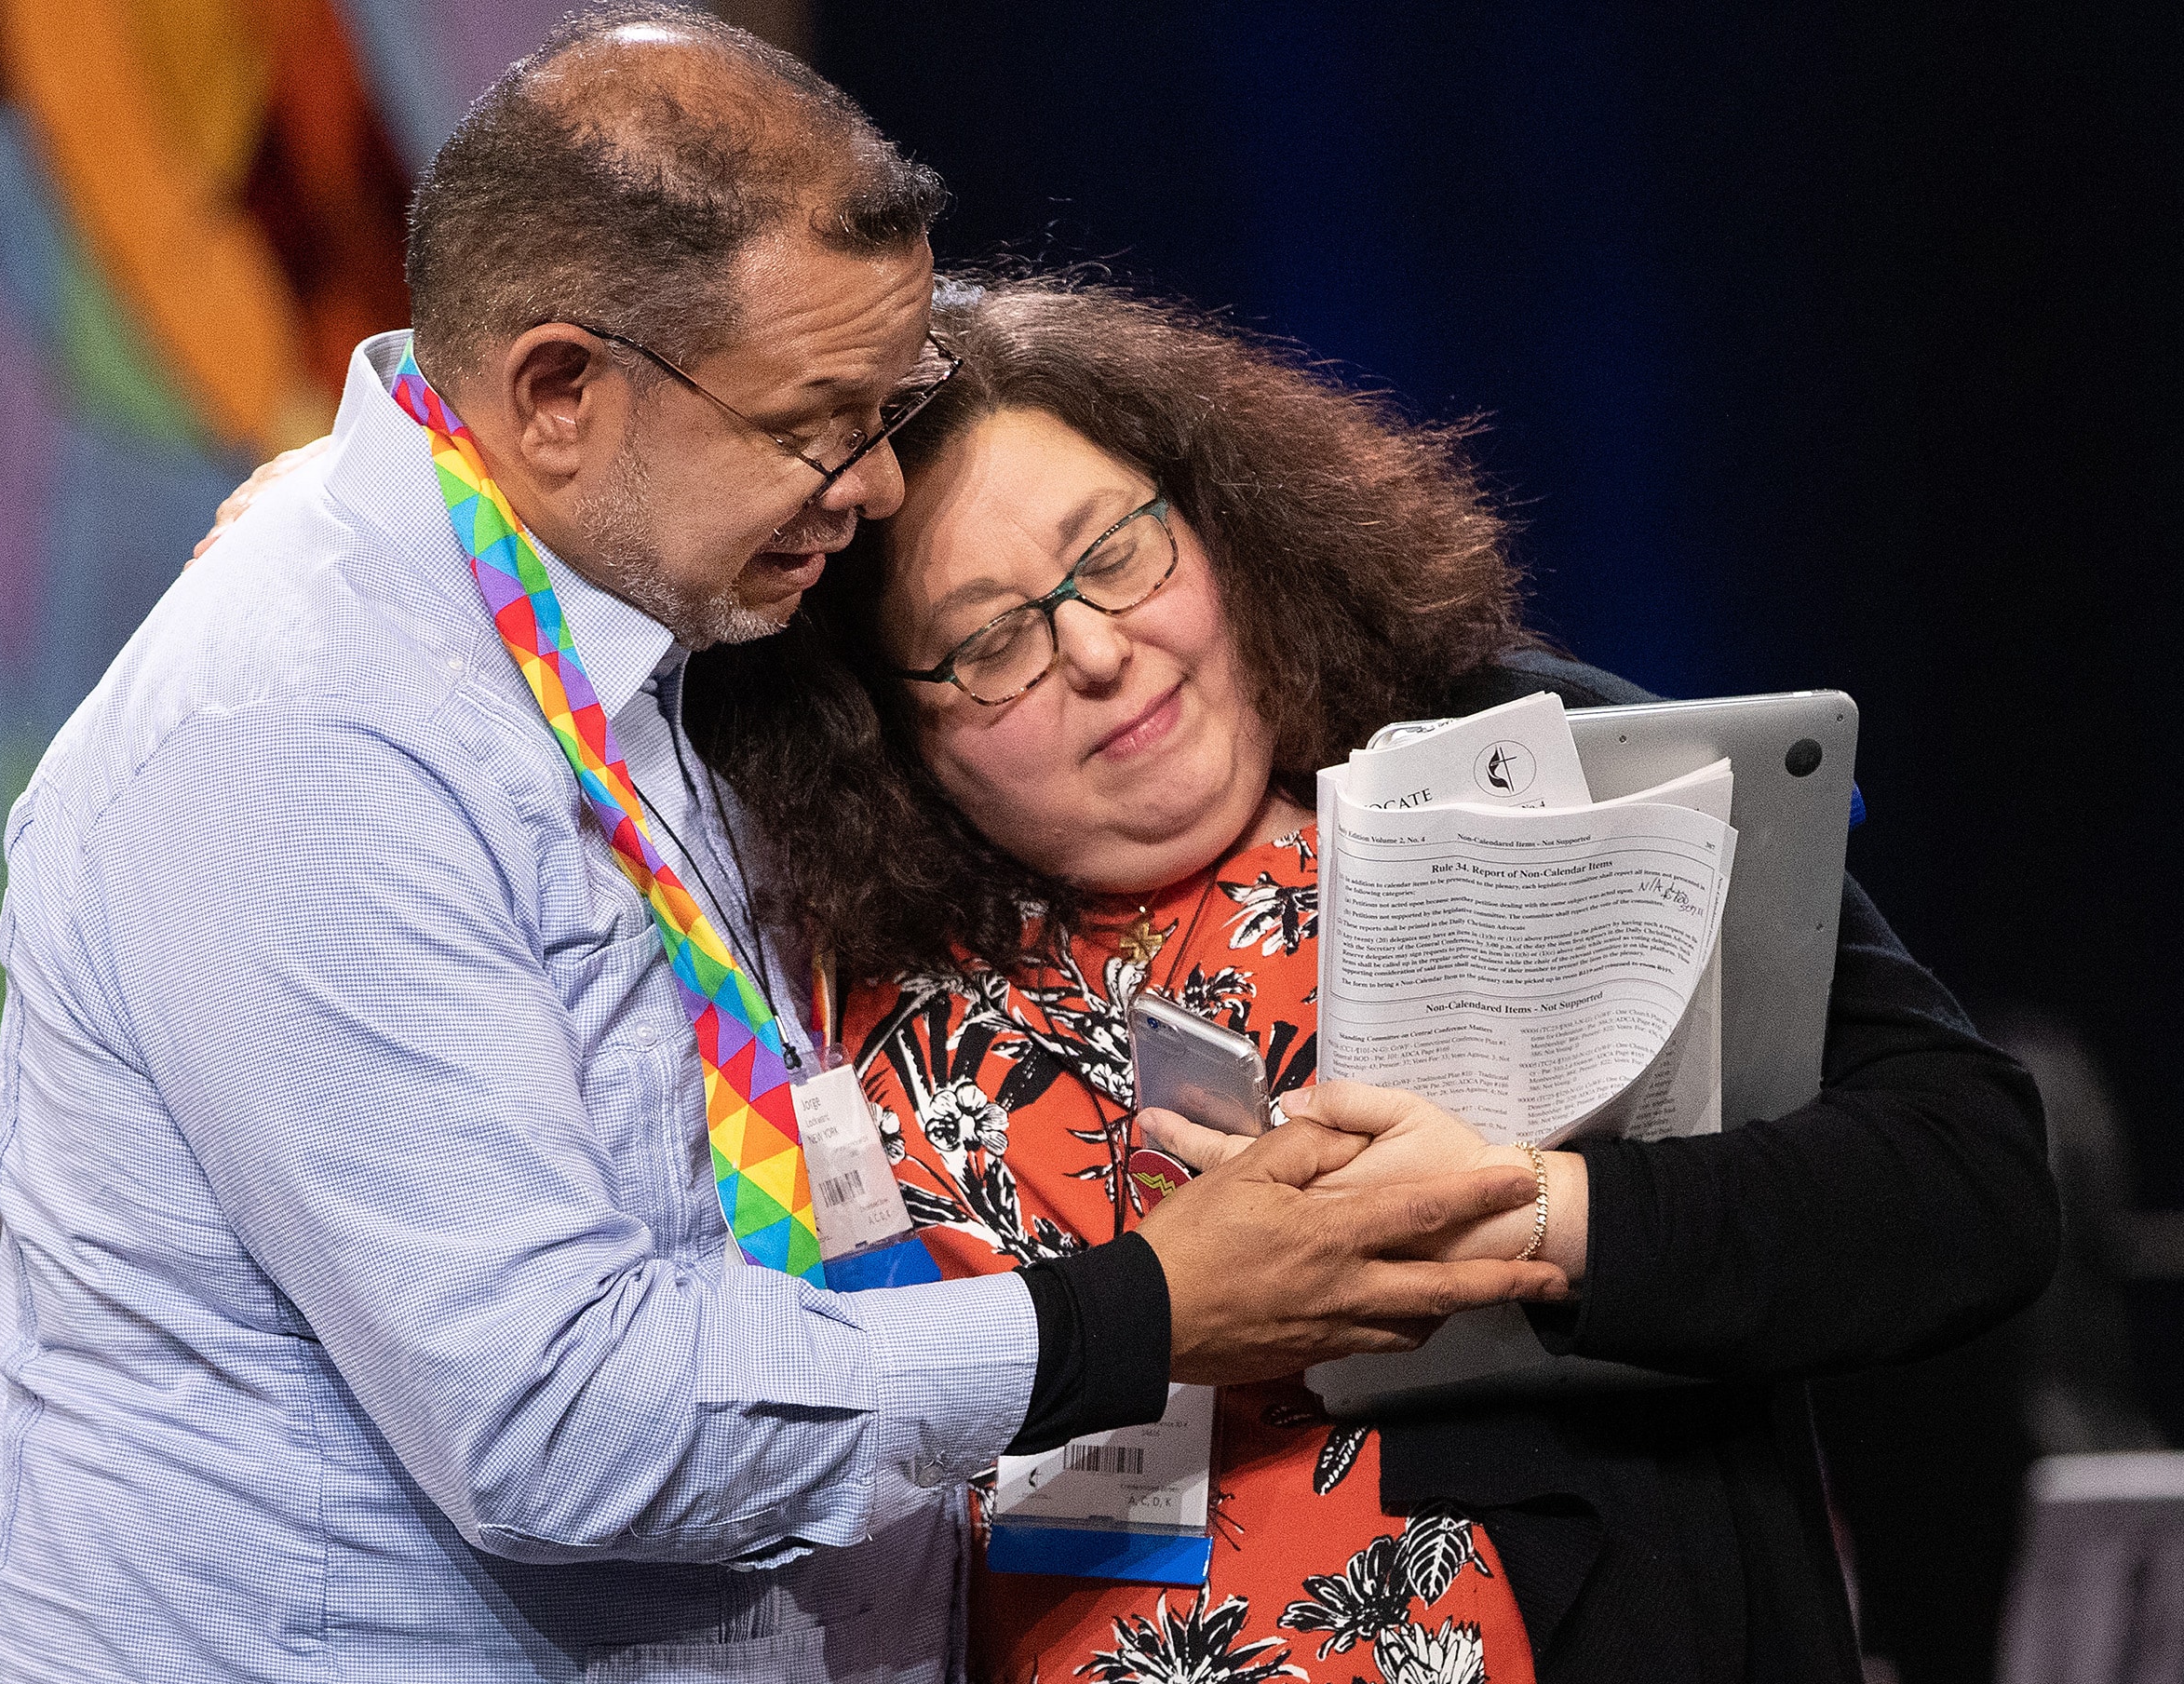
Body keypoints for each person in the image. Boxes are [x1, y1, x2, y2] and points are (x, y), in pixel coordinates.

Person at [0, 14, 1569, 1683]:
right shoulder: (299, 733)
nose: (876, 486)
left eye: (895, 405)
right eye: (819, 424)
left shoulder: (641, 595)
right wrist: (1142, 1313)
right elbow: (559, 1418)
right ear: (560, 391)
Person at [683, 274, 2064, 1683]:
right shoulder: (818, 965)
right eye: (989, 643)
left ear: (1220, 524)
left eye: (1116, 555)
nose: (1096, 650)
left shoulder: (1535, 764)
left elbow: (1969, 1178)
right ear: (888, 730)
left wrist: (1536, 1209)